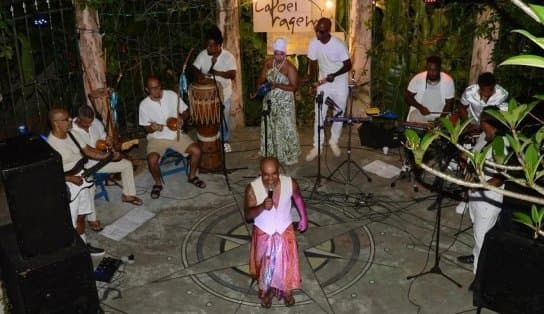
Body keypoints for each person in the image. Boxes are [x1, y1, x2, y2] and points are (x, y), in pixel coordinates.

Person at [245, 157, 308, 308]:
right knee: (266, 268)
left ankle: (286, 291)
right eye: (266, 174)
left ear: (279, 172)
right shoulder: (252, 188)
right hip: (263, 235)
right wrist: (261, 207)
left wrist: (304, 218)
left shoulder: (290, 183)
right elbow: (248, 215)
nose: (270, 179)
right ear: (260, 173)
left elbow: (298, 199)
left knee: (286, 264)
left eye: (274, 174)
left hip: (285, 232)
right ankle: (266, 292)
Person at [46, 108, 108, 256]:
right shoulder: (51, 145)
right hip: (68, 185)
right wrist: (69, 178)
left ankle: (83, 245)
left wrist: (107, 155)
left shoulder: (71, 134)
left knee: (81, 215)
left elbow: (88, 151)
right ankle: (73, 252)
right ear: (56, 123)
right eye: (66, 119)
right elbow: (48, 173)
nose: (70, 121)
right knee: (71, 221)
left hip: (82, 179)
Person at [72, 105, 143, 230]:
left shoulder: (95, 122)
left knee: (126, 165)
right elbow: (86, 152)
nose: (89, 126)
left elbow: (104, 136)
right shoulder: (71, 131)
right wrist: (107, 155)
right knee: (89, 186)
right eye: (86, 124)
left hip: (103, 160)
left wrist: (108, 140)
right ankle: (92, 219)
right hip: (85, 165)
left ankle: (128, 195)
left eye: (91, 122)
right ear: (78, 119)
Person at [456, 109, 508, 274]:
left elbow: (500, 178)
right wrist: (464, 159)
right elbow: (474, 159)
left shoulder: (502, 144)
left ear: (489, 123)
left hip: (489, 199)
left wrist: (480, 185)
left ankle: (479, 277)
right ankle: (476, 255)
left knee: (482, 237)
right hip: (476, 194)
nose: (479, 124)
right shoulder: (484, 137)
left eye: (482, 121)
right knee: (477, 231)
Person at [139, 76, 206, 199]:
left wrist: (182, 118)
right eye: (153, 89)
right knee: (152, 160)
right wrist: (152, 127)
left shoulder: (171, 95)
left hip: (176, 134)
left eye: (158, 87)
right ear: (147, 90)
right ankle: (158, 184)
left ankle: (192, 176)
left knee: (197, 150)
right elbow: (146, 128)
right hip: (157, 138)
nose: (157, 91)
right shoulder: (144, 105)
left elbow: (186, 112)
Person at [305, 17, 352, 161]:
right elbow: (312, 64)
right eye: (317, 30)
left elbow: (348, 65)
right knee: (320, 112)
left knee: (339, 112)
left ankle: (334, 141)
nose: (318, 34)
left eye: (321, 31)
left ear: (328, 31)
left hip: (339, 81)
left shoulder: (338, 45)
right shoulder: (314, 43)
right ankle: (317, 145)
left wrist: (335, 74)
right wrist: (313, 83)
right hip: (323, 81)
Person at [190, 25, 237, 153]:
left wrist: (218, 73)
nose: (208, 48)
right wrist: (199, 76)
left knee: (223, 118)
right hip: (207, 95)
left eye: (211, 46)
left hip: (224, 94)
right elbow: (194, 67)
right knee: (210, 119)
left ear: (219, 45)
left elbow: (233, 74)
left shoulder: (228, 57)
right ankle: (210, 140)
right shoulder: (203, 54)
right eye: (207, 45)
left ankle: (225, 140)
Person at [255, 38, 300, 165]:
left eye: (281, 53)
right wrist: (259, 86)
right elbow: (261, 77)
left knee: (285, 127)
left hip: (284, 103)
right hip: (269, 101)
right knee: (270, 126)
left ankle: (287, 155)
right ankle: (270, 153)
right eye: (276, 53)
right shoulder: (269, 63)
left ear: (285, 53)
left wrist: (278, 85)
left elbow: (294, 87)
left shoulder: (290, 67)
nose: (278, 56)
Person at [405, 55, 455, 124]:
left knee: (449, 122)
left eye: (435, 70)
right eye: (429, 69)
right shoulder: (418, 78)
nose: (431, 73)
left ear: (439, 69)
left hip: (440, 117)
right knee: (414, 115)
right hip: (421, 116)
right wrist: (420, 107)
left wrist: (439, 121)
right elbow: (408, 98)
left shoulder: (448, 81)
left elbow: (449, 105)